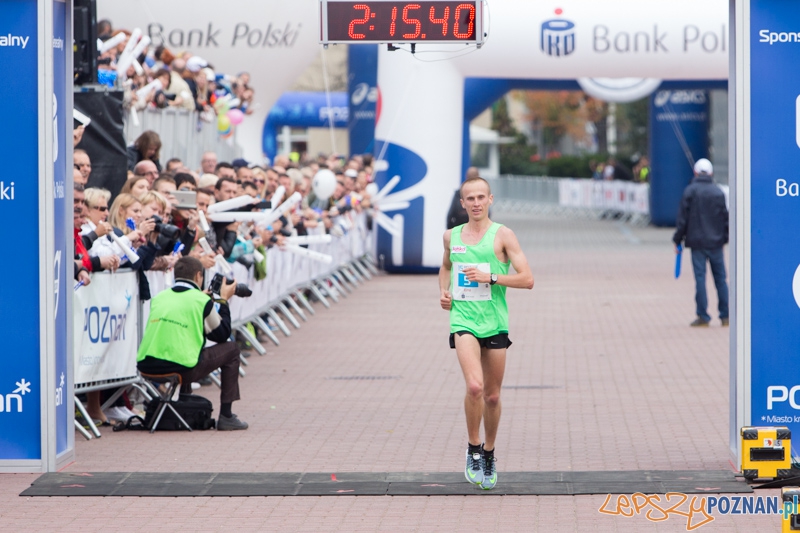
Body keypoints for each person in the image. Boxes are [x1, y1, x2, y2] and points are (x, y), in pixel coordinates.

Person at [439, 176, 534, 490]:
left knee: (492, 396)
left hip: (494, 322)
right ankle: (474, 448)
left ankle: (490, 452)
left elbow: (527, 279)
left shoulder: (503, 236)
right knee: (475, 387)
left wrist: (491, 276)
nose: (476, 203)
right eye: (470, 198)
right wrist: (444, 292)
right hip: (463, 320)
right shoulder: (451, 237)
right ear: (463, 203)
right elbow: (445, 267)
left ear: (490, 199)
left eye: (481, 197)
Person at [137, 256, 248, 430]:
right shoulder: (200, 301)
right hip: (182, 369)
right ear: (198, 276)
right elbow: (221, 335)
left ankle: (184, 404)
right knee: (232, 350)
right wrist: (223, 300)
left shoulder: (160, 297)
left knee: (186, 347)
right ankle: (226, 416)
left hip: (146, 367)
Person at [672, 158, 729, 327]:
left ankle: (703, 315)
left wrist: (677, 240)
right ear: (711, 173)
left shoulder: (690, 191)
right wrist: (724, 239)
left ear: (695, 173)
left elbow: (682, 219)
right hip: (716, 243)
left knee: (700, 279)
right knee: (721, 279)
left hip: (696, 242)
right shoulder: (718, 192)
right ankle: (725, 315)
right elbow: (725, 219)